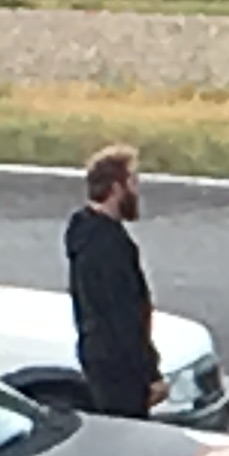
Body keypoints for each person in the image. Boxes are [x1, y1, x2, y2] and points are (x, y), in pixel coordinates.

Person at [64, 144, 158, 420]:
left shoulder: (82, 231)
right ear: (117, 188)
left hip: (98, 357)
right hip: (120, 368)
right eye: (133, 182)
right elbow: (124, 316)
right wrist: (150, 374)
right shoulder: (110, 246)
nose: (136, 191)